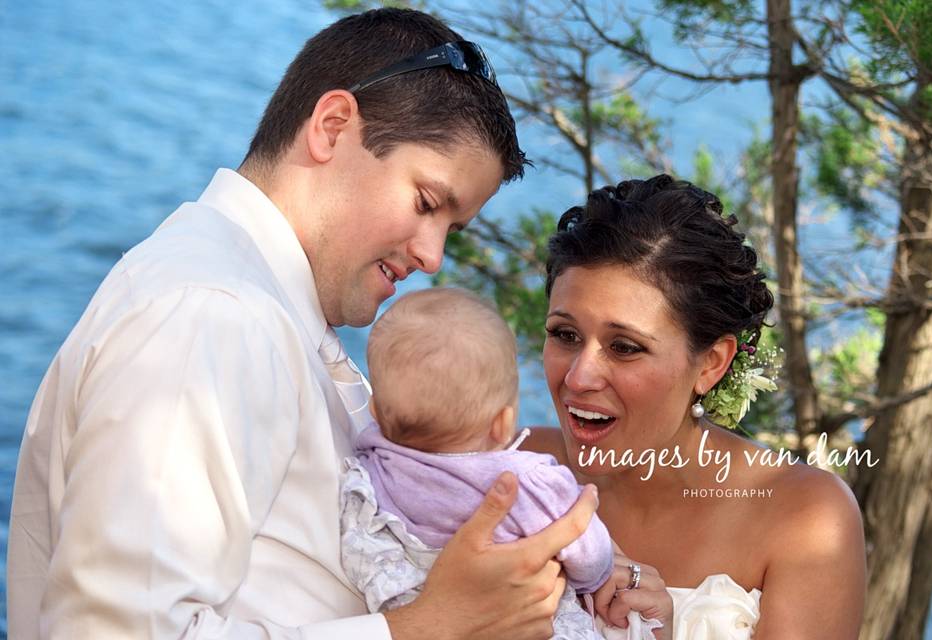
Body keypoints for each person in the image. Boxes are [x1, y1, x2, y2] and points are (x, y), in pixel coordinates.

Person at [7, 8, 598, 640]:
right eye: (426, 203)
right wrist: (424, 628)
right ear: (333, 126)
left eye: (450, 229)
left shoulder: (260, 307)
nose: (432, 256)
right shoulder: (211, 314)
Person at [525, 176, 867, 639]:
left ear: (711, 364)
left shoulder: (805, 520)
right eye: (565, 335)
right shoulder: (512, 465)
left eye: (624, 347)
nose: (578, 378)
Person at [339, 287, 640, 639]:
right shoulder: (526, 481)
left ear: (374, 410)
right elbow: (587, 553)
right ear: (502, 422)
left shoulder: (371, 469)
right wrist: (598, 575)